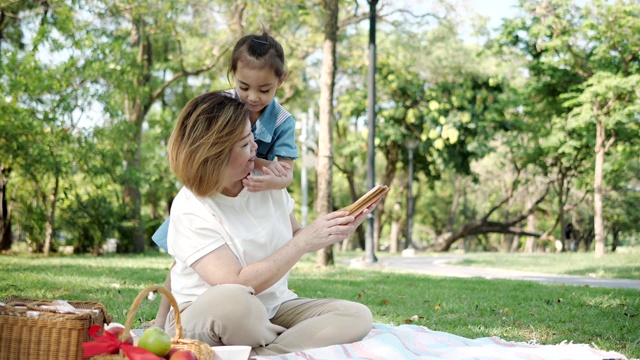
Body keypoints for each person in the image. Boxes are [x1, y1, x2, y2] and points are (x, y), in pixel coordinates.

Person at [158, 91, 376, 356]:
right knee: (234, 301)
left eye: (251, 136)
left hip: (272, 309)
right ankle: (273, 344)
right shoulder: (191, 206)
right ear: (214, 155)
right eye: (243, 144)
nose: (255, 148)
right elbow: (236, 282)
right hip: (209, 316)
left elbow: (297, 235)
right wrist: (304, 240)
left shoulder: (267, 181)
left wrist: (333, 229)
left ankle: (266, 353)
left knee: (356, 315)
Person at [149, 30, 300, 331]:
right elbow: (201, 143)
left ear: (281, 81)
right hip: (210, 188)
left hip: (247, 190)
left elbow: (286, 172)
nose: (253, 97)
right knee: (186, 259)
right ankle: (160, 319)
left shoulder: (282, 122)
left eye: (264, 90)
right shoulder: (223, 105)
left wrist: (266, 180)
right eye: (244, 87)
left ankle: (264, 321)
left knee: (249, 257)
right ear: (233, 76)